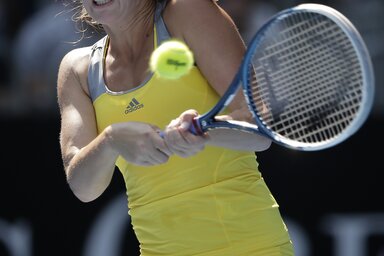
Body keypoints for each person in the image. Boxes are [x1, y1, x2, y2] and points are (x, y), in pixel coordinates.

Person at [57, 0, 294, 255]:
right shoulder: (76, 70)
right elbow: (83, 187)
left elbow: (259, 130)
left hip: (251, 246)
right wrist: (111, 139)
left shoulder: (189, 10)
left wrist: (202, 132)